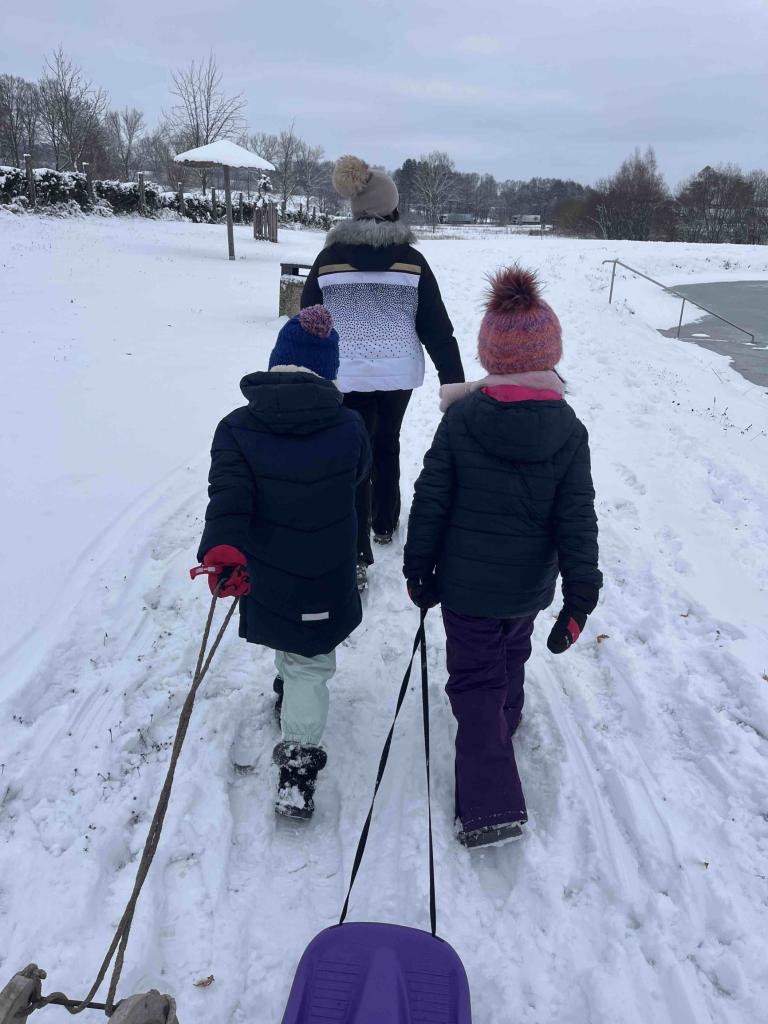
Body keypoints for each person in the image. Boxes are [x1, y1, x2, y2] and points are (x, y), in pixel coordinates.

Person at [403, 265, 602, 850]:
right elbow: (577, 517)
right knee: (512, 651)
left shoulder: (462, 420)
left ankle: (490, 806)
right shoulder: (568, 429)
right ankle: (504, 717)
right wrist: (579, 593)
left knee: (474, 681)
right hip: (527, 588)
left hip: (466, 588)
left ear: (490, 356)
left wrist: (418, 565)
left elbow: (431, 496)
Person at [195, 306, 370, 820]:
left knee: (291, 639)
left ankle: (286, 691)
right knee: (310, 662)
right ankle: (298, 769)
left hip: (267, 570)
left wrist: (223, 549)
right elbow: (360, 476)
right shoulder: (350, 426)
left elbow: (228, 495)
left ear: (276, 363)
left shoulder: (236, 427)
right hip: (326, 570)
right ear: (329, 371)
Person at [301, 155, 465, 592]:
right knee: (387, 442)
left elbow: (308, 318)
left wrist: (304, 372)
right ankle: (386, 522)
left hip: (345, 375)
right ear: (391, 209)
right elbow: (437, 328)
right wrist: (454, 382)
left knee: (353, 454)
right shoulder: (412, 261)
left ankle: (356, 553)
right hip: (397, 375)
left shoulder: (328, 259)